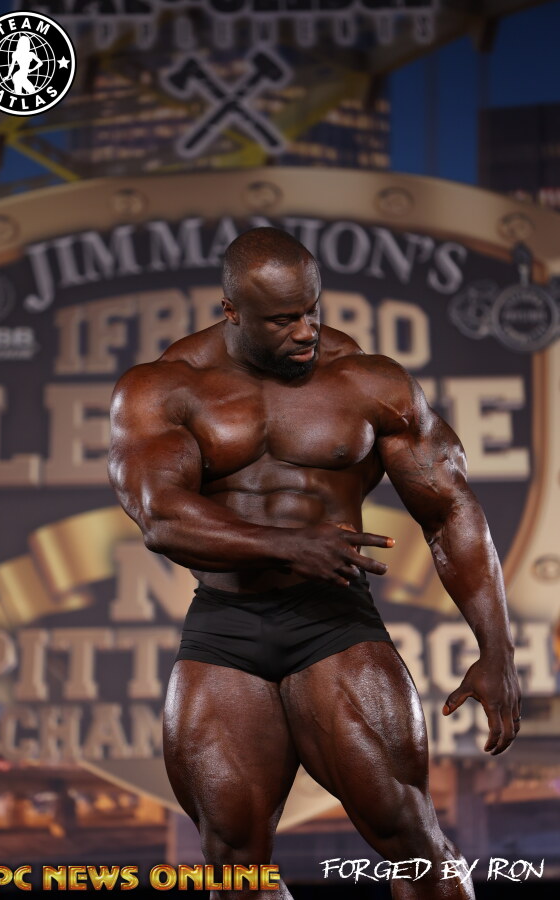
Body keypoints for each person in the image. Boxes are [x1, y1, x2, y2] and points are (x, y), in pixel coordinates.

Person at [108, 227, 521, 899]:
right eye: (282, 319)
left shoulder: (367, 381)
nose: (305, 331)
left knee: (410, 836)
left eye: (311, 310)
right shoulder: (165, 388)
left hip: (332, 622)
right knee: (233, 863)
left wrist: (496, 648)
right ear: (231, 311)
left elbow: (449, 509)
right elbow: (161, 516)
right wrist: (287, 545)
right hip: (225, 626)